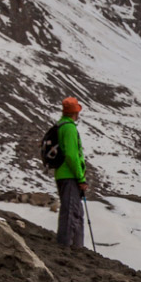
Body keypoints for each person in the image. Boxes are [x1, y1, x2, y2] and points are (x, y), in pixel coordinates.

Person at [54, 96, 87, 248]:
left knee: (73, 211)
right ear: (75, 112)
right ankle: (67, 245)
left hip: (62, 174)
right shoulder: (69, 128)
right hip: (69, 176)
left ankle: (73, 245)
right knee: (72, 212)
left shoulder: (61, 125)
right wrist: (80, 178)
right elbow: (72, 156)